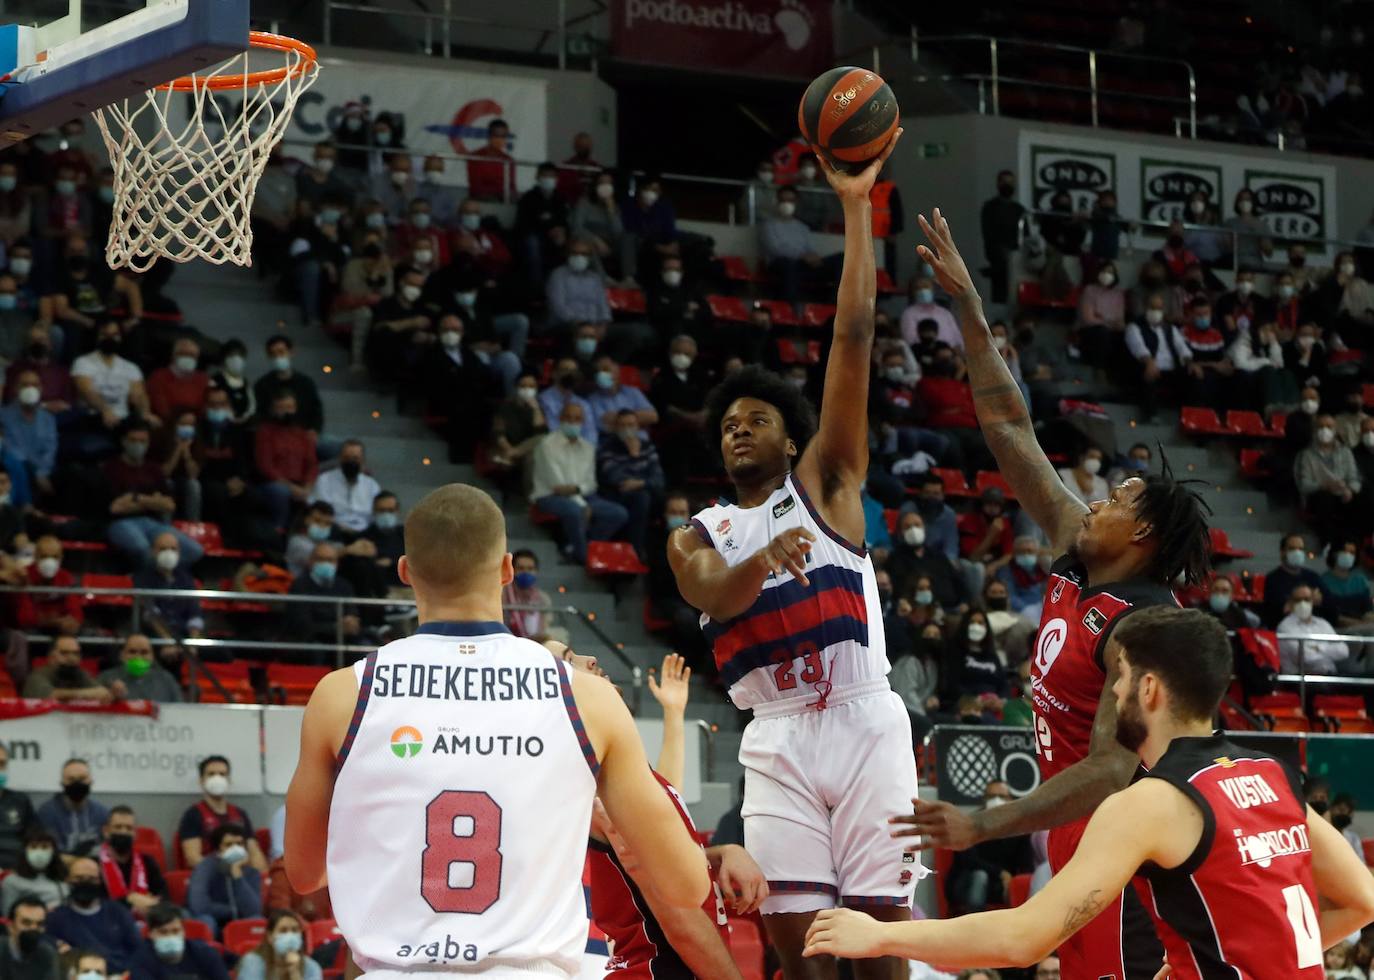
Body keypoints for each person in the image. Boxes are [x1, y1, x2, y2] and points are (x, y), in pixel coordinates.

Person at [896, 207, 1214, 980]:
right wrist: (973, 312)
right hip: (1074, 827)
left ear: (1141, 538)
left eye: (1120, 498)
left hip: (1126, 839)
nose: (1097, 498)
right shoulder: (1079, 551)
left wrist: (983, 822)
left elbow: (1111, 767)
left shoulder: (1142, 628)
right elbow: (1009, 429)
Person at [668, 133, 921, 980]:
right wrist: (762, 564)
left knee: (880, 931)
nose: (741, 425)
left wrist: (856, 209)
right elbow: (714, 592)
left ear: (791, 436)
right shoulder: (699, 531)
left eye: (759, 418)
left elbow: (851, 339)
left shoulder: (827, 484)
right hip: (773, 734)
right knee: (797, 947)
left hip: (863, 717)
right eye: (729, 422)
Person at [283, 483, 709, 977]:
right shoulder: (586, 697)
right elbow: (686, 886)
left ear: (404, 572)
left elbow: (304, 871)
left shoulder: (341, 695)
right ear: (508, 570)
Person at [807, 607, 1374, 977]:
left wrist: (882, 937)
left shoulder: (1150, 802)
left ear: (1148, 689)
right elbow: (1360, 902)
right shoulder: (1273, 775)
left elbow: (1023, 939)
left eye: (1120, 678)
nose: (1115, 693)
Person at [583, 650, 764, 980]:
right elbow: (680, 920)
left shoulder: (622, 777)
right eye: (570, 660)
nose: (590, 659)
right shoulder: (603, 792)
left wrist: (723, 851)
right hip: (659, 969)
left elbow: (669, 816)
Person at [531, 402, 628, 563]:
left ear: (582, 422)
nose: (572, 422)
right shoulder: (546, 445)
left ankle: (582, 545)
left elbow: (590, 483)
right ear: (560, 418)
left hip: (583, 495)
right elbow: (558, 486)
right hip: (548, 496)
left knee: (618, 513)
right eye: (568, 417)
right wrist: (583, 504)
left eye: (577, 419)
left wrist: (579, 494)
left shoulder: (588, 448)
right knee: (575, 511)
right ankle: (585, 559)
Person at [945, 781, 1035, 916]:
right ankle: (974, 926)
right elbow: (968, 860)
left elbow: (1026, 865)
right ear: (984, 800)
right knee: (980, 877)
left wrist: (1013, 882)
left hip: (1000, 886)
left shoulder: (1019, 829)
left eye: (1001, 796)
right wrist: (1000, 873)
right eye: (991, 796)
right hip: (967, 883)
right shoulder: (969, 824)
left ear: (1011, 800)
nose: (996, 800)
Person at [46, 857, 141, 973]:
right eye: (79, 878)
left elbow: (137, 950)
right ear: (68, 880)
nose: (85, 883)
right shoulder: (56, 917)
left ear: (100, 881)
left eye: (92, 879)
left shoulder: (118, 912)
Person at [176, 757, 266, 871]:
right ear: (201, 780)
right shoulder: (193, 814)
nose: (217, 778)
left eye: (222, 774)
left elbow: (255, 853)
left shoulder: (240, 814)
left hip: (241, 874)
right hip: (210, 877)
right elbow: (193, 858)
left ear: (229, 780)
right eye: (211, 774)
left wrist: (262, 878)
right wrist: (224, 872)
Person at [1295, 414, 1362, 545]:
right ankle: (1327, 543)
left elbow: (1354, 478)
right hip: (1319, 496)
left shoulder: (1345, 452)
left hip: (1342, 494)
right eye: (1321, 427)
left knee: (1362, 498)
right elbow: (1304, 485)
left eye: (1329, 427)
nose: (1325, 430)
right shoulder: (1306, 455)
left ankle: (1354, 544)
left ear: (1335, 430)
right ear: (1315, 430)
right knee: (1325, 499)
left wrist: (1350, 490)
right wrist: (1325, 485)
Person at [186, 823, 261, 937]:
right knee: (206, 922)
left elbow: (254, 910)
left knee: (257, 920)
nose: (235, 848)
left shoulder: (251, 872)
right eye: (229, 844)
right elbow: (199, 906)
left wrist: (238, 877)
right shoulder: (205, 868)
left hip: (240, 921)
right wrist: (233, 910)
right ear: (218, 849)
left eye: (239, 844)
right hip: (213, 919)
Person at [128, 903, 230, 980]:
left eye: (175, 931)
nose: (170, 937)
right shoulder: (141, 960)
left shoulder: (204, 952)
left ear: (183, 931)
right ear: (151, 934)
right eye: (163, 932)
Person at [97, 806, 166, 916]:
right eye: (118, 827)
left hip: (148, 920)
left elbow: (163, 896)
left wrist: (152, 903)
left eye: (129, 828)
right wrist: (131, 900)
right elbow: (98, 903)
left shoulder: (148, 862)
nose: (123, 832)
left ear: (135, 834)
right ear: (106, 831)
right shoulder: (94, 865)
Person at [309, 439, 380, 534]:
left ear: (362, 460)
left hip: (365, 533)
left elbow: (376, 515)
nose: (351, 462)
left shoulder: (372, 485)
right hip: (333, 529)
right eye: (347, 458)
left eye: (355, 458)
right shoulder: (324, 480)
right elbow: (320, 511)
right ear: (340, 459)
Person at [1277, 584, 1350, 675]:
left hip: (1331, 675)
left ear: (1313, 601)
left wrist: (1318, 648)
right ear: (1291, 602)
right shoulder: (1285, 627)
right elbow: (1305, 658)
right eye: (1298, 600)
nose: (1302, 603)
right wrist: (1330, 652)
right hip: (1301, 679)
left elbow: (1343, 651)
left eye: (1306, 599)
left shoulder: (1323, 623)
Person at [235, 910, 321, 980]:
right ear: (270, 937)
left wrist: (295, 973)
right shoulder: (253, 962)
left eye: (294, 930)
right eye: (283, 931)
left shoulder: (311, 967)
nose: (290, 936)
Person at [97, 634, 182, 703]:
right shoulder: (106, 678)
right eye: (132, 652)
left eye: (144, 652)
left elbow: (180, 709)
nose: (138, 657)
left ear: (152, 656)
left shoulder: (166, 680)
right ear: (122, 655)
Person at [980, 170, 1024, 304]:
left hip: (1017, 257)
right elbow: (988, 233)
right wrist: (1000, 251)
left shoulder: (1019, 209)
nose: (1008, 185)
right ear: (998, 184)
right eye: (1005, 182)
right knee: (1000, 294)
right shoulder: (989, 207)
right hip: (998, 257)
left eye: (1010, 182)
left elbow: (1025, 234)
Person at [1262, 534, 1324, 628]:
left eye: (1300, 549)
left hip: (1315, 627)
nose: (1297, 552)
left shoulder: (1313, 577)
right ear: (1282, 552)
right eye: (1292, 548)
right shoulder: (1272, 580)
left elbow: (1330, 606)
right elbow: (1272, 613)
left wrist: (1320, 600)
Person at [23, 638, 109, 704]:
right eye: (64, 653)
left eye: (76, 653)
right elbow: (50, 695)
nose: (71, 658)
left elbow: (102, 692)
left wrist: (114, 693)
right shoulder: (37, 676)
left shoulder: (80, 674)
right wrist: (86, 694)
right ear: (51, 657)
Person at [0, 829, 66, 910]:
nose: (39, 852)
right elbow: (8, 916)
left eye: (44, 847)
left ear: (54, 851)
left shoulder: (62, 878)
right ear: (24, 851)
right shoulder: (11, 881)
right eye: (33, 847)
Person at [501, 549, 556, 642]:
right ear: (513, 570)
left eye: (530, 569)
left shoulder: (543, 599)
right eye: (521, 568)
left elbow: (544, 628)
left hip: (535, 646)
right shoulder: (502, 595)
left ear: (536, 571)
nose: (526, 572)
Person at [0, 897, 58, 980]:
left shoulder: (46, 954)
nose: (33, 928)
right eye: (26, 923)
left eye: (39, 924)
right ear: (10, 926)